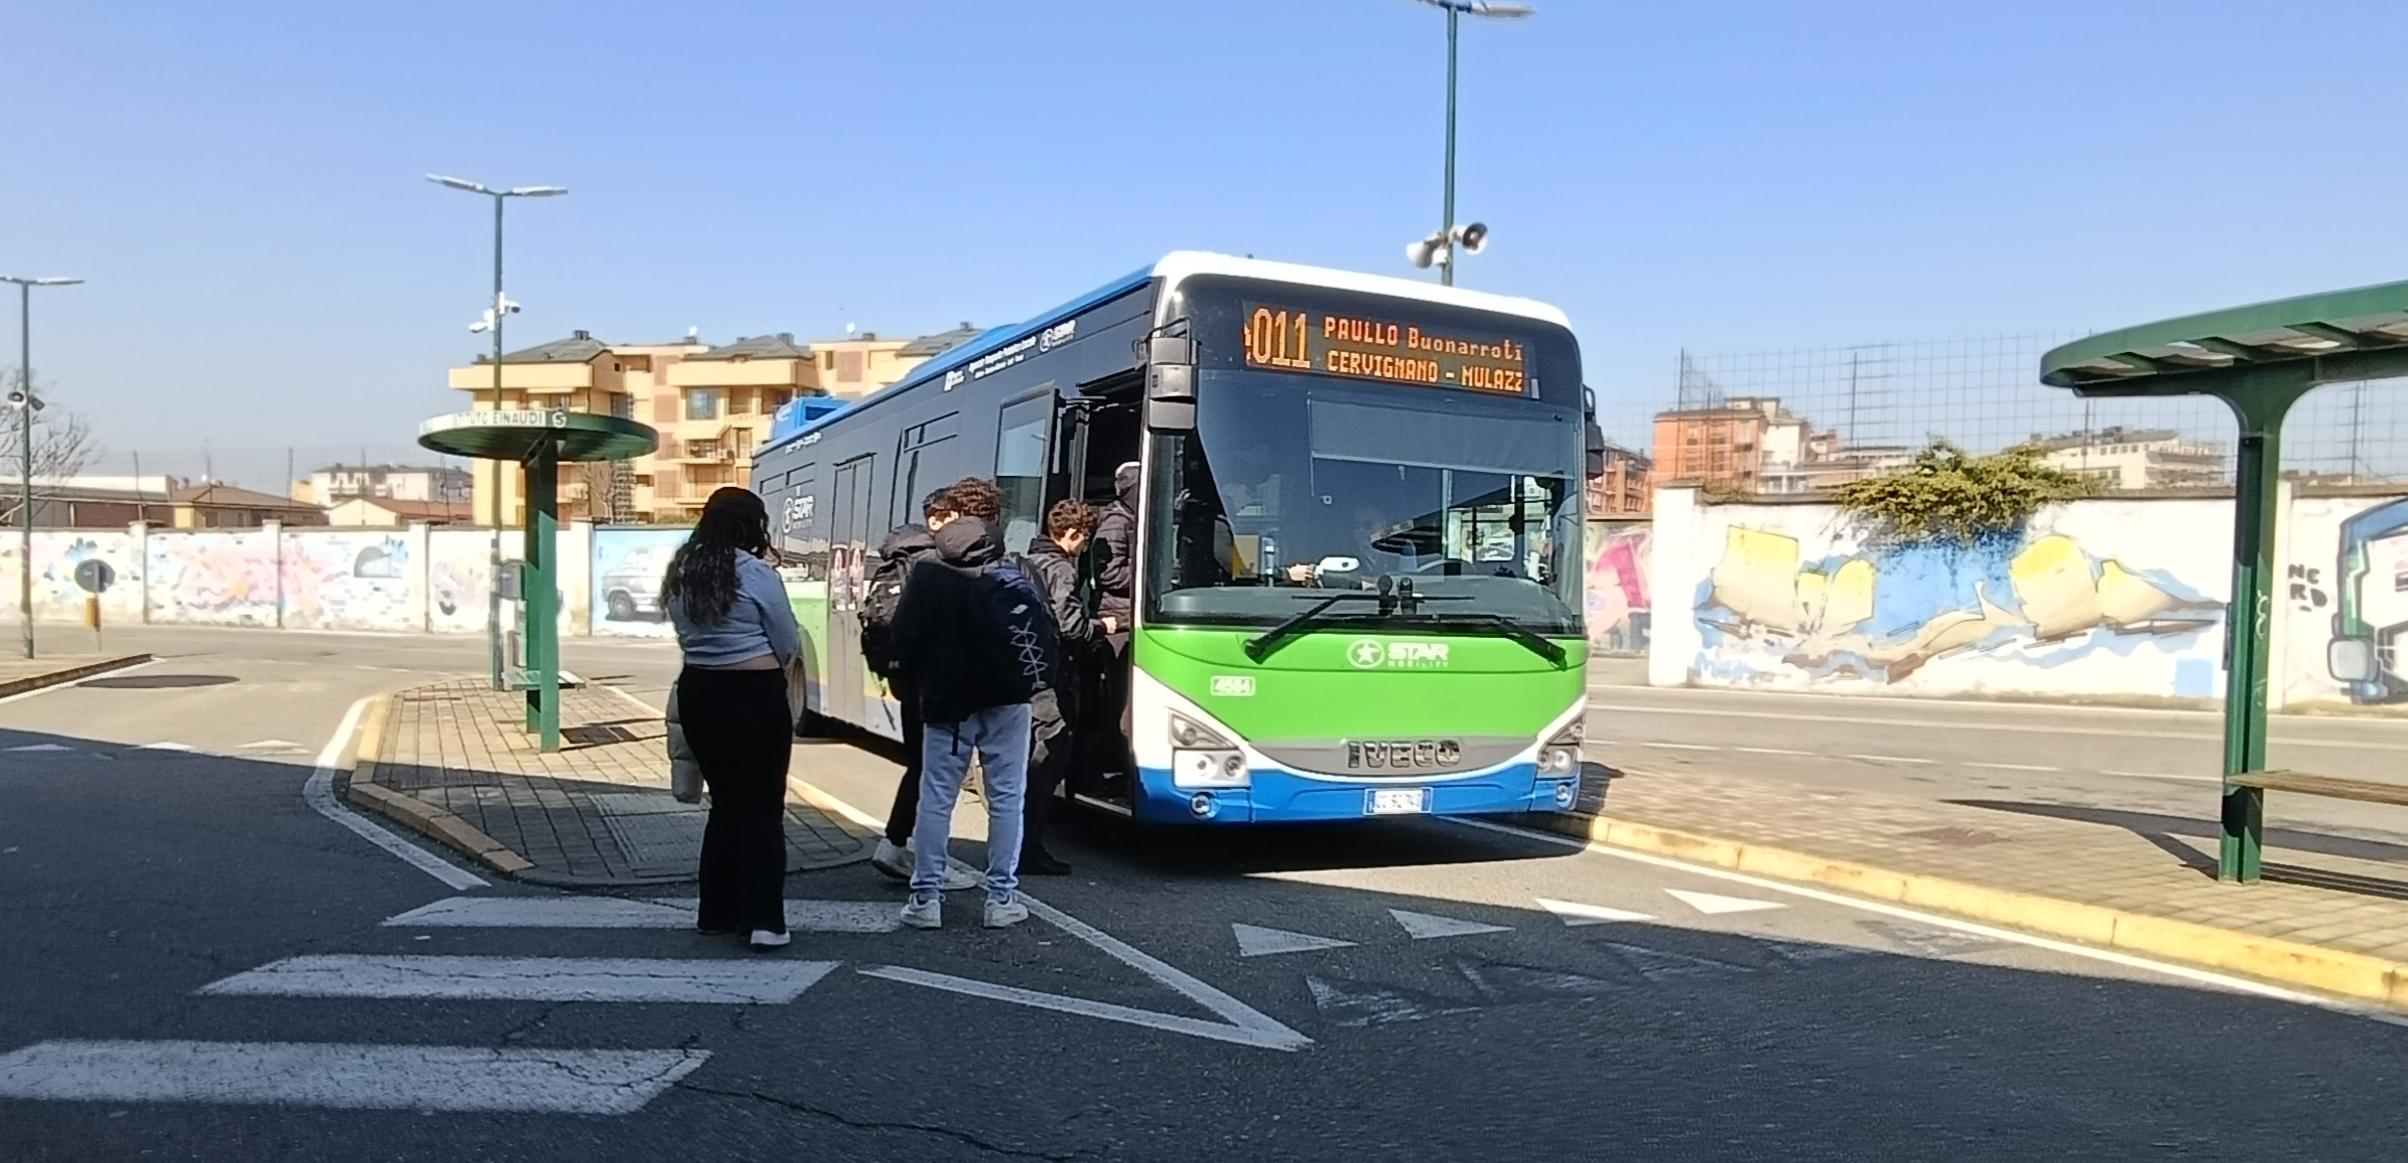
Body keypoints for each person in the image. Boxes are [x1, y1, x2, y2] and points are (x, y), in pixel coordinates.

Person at [889, 501, 1053, 930]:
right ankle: (1001, 899)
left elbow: (903, 638)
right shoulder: (1013, 572)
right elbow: (1046, 630)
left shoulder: (927, 574)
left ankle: (925, 899)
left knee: (936, 799)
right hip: (1008, 701)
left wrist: (915, 683)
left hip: (947, 705)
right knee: (1005, 801)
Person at [662, 487, 802, 953]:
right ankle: (764, 921)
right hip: (754, 695)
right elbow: (786, 638)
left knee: (724, 804)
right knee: (762, 807)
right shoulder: (756, 572)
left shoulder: (683, 569)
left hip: (700, 693)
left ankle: (715, 913)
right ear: (752, 526)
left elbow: (683, 633)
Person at [862, 487, 976, 891]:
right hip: (932, 678)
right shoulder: (932, 561)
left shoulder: (901, 556)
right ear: (937, 519)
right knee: (936, 771)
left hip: (907, 676)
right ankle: (924, 862)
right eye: (957, 518)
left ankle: (896, 845)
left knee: (922, 764)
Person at [1016, 499, 1105, 876]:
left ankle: (1017, 843)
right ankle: (1029, 850)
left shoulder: (1027, 561)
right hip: (1052, 679)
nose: (1084, 548)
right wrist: (1102, 628)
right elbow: (1072, 628)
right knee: (1046, 759)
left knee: (1026, 760)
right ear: (1071, 535)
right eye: (1084, 540)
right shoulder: (1062, 570)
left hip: (1027, 675)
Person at [1092, 462, 1139, 765]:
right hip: (1118, 620)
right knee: (1121, 698)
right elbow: (1108, 574)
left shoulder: (1133, 518)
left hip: (1128, 616)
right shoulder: (1116, 522)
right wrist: (1150, 573)